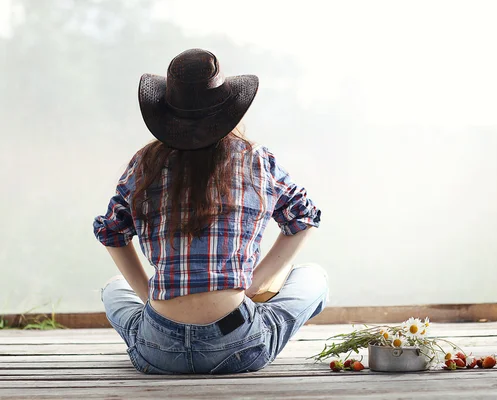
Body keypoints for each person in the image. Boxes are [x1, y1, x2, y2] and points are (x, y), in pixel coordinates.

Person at [93, 49, 327, 374]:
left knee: (113, 289)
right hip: (238, 343)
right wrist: (253, 283)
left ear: (166, 114)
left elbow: (112, 234)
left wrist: (149, 295)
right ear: (230, 110)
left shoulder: (144, 165)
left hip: (159, 348)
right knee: (314, 277)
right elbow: (303, 219)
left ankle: (153, 314)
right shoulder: (256, 159)